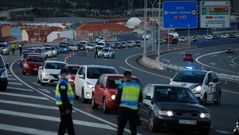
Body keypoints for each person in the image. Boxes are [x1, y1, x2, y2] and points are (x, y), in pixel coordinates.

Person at [116, 71, 143, 135]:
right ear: (131, 76)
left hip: (123, 109)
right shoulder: (137, 86)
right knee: (133, 128)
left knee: (121, 127)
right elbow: (140, 99)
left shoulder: (122, 85)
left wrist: (118, 108)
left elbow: (117, 99)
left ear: (124, 77)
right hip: (133, 110)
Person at [55, 68, 75, 135]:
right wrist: (67, 108)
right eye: (68, 74)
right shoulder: (63, 83)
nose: (69, 75)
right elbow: (63, 96)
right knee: (64, 124)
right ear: (64, 74)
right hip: (64, 106)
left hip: (65, 105)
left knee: (68, 124)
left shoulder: (65, 82)